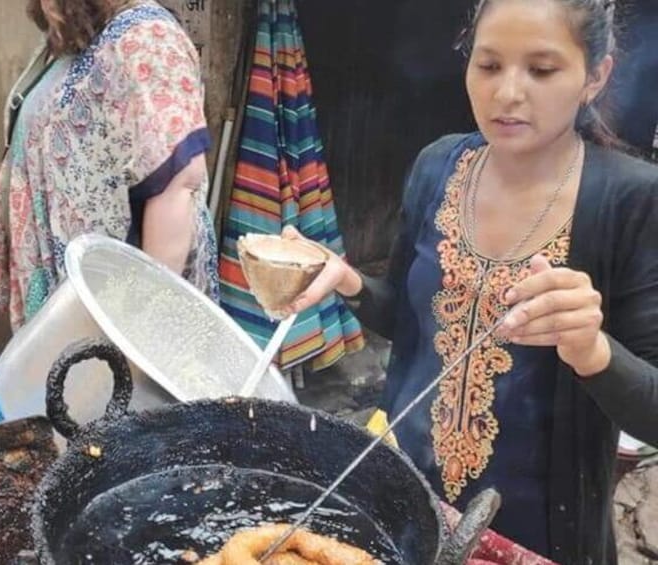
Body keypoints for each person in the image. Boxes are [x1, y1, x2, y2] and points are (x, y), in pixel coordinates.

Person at [280, 0, 658, 562]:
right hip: (405, 497)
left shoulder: (630, 200)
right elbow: (409, 325)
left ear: (595, 75)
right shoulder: (438, 166)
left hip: (534, 532)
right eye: (488, 66)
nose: (507, 93)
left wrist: (593, 350)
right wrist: (350, 283)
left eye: (542, 69)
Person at [0, 0, 219, 331]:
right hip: (70, 301)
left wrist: (140, 337)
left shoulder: (148, 40)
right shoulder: (83, 38)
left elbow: (177, 184)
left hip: (117, 317)